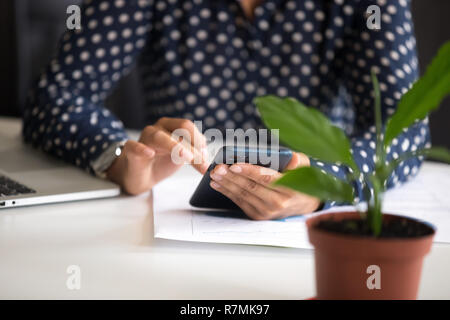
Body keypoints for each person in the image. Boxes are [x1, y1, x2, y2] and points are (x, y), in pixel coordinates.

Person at [23, 0, 429, 220]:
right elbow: (55, 97)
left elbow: (404, 126)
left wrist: (321, 185)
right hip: (167, 218)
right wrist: (116, 158)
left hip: (315, 233)